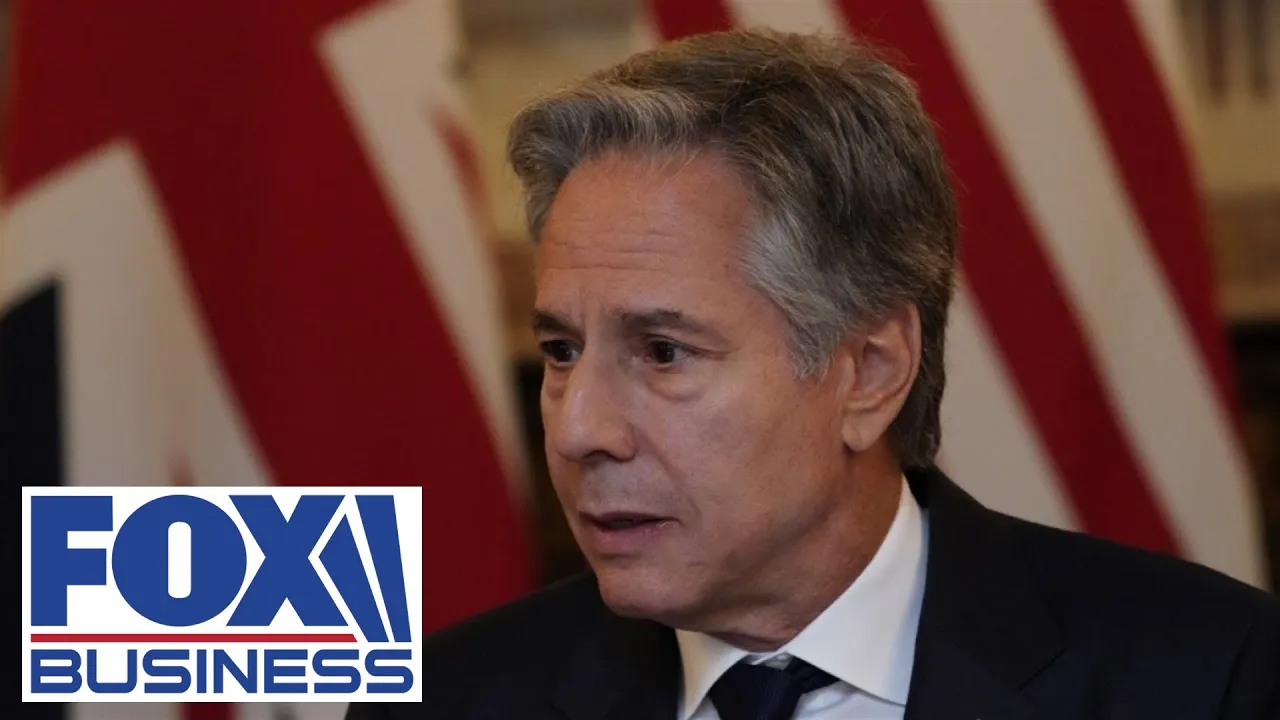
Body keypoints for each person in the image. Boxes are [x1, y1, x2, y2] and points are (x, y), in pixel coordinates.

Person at [346, 28, 1279, 720]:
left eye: (663, 352)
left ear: (869, 372)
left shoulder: (1208, 679)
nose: (579, 428)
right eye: (560, 351)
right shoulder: (449, 701)